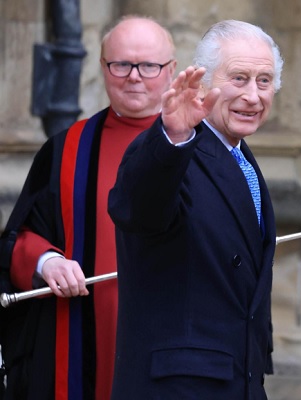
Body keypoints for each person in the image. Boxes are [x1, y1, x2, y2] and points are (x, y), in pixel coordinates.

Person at [0, 16, 177, 399]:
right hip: (78, 344)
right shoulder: (67, 149)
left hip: (177, 345)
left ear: (171, 71)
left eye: (149, 65)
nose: (134, 77)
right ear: (103, 67)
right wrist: (47, 261)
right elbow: (17, 239)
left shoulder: (204, 152)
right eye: (121, 64)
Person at [107, 19, 282, 399]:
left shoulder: (243, 160)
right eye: (239, 78)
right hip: (178, 386)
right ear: (202, 83)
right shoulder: (170, 147)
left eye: (264, 81)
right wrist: (173, 137)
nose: (253, 96)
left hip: (238, 382)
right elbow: (138, 210)